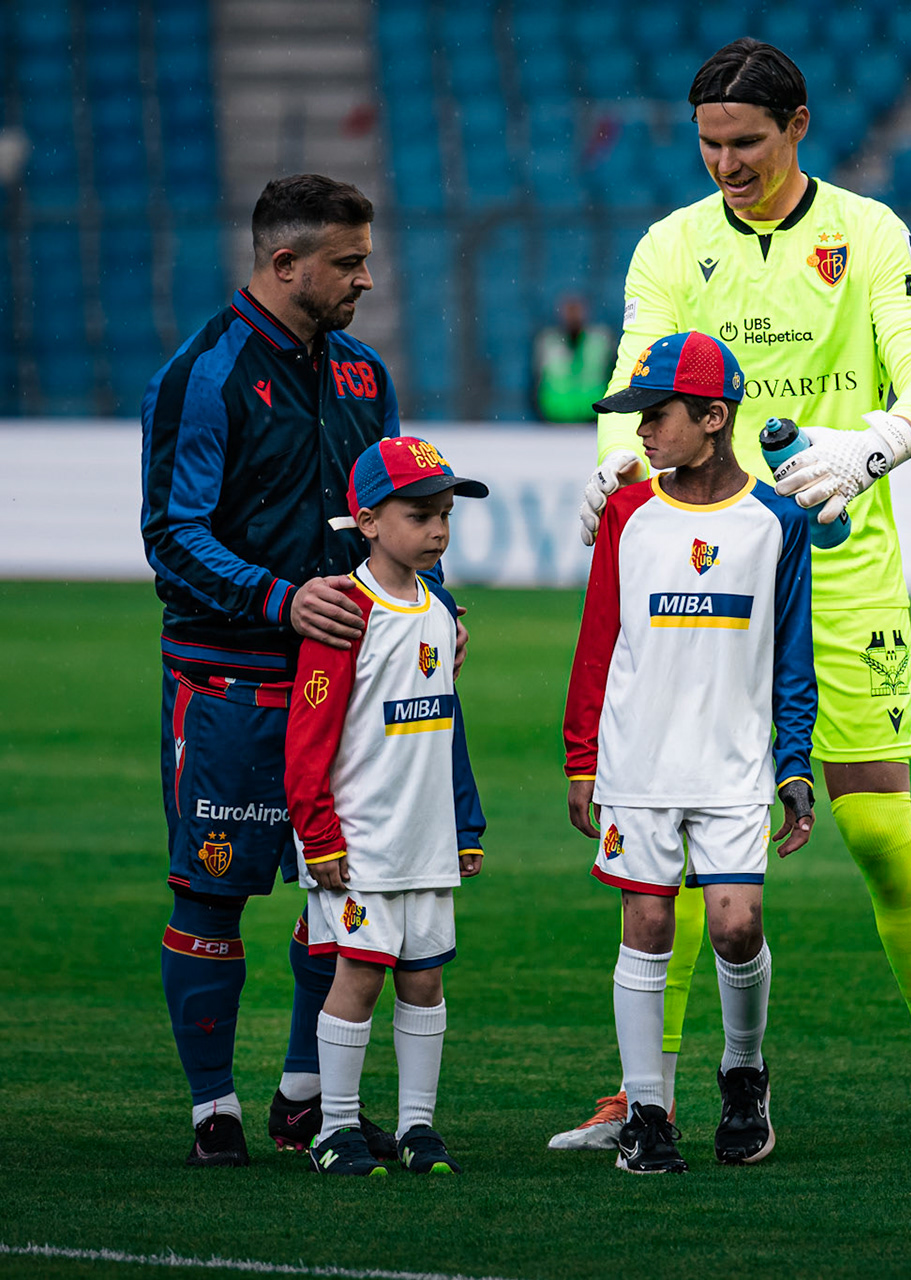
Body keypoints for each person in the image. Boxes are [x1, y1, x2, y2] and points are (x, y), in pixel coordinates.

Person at [559, 38, 911, 1155]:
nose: (725, 163)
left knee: (881, 828)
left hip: (840, 567)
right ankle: (641, 1089)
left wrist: (873, 443)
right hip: (705, 569)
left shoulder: (869, 232)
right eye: (708, 142)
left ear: (798, 125)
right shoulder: (671, 245)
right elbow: (634, 380)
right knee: (675, 835)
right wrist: (614, 461)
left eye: (746, 141)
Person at [142, 173, 438, 1166]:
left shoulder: (365, 376)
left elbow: (389, 518)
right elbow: (170, 534)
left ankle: (306, 1088)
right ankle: (211, 1107)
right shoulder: (204, 373)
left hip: (349, 684)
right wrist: (280, 596)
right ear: (285, 264)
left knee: (340, 889)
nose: (366, 276)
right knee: (212, 894)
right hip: (229, 680)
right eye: (348, 262)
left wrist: (435, 608)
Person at [565, 332, 817, 1173]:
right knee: (646, 921)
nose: (640, 431)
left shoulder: (777, 520)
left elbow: (792, 652)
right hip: (636, 761)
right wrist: (580, 758)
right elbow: (598, 640)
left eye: (655, 415)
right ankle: (646, 1113)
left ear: (714, 418)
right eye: (636, 416)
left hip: (735, 764)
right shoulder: (628, 516)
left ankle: (743, 1074)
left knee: (736, 925)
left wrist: (793, 764)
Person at [284, 436, 489, 1176]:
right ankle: (333, 1128)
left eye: (444, 515)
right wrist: (319, 835)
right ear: (366, 521)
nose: (437, 530)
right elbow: (308, 739)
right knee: (360, 975)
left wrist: (465, 821)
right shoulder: (345, 611)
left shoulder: (440, 607)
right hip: (360, 839)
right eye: (419, 515)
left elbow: (446, 724)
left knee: (424, 977)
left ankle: (417, 1127)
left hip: (427, 838)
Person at [533, 295, 617, 424]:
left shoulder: (600, 341)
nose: (573, 316)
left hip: (592, 418)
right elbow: (537, 381)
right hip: (554, 418)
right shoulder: (547, 342)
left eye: (576, 311)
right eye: (569, 311)